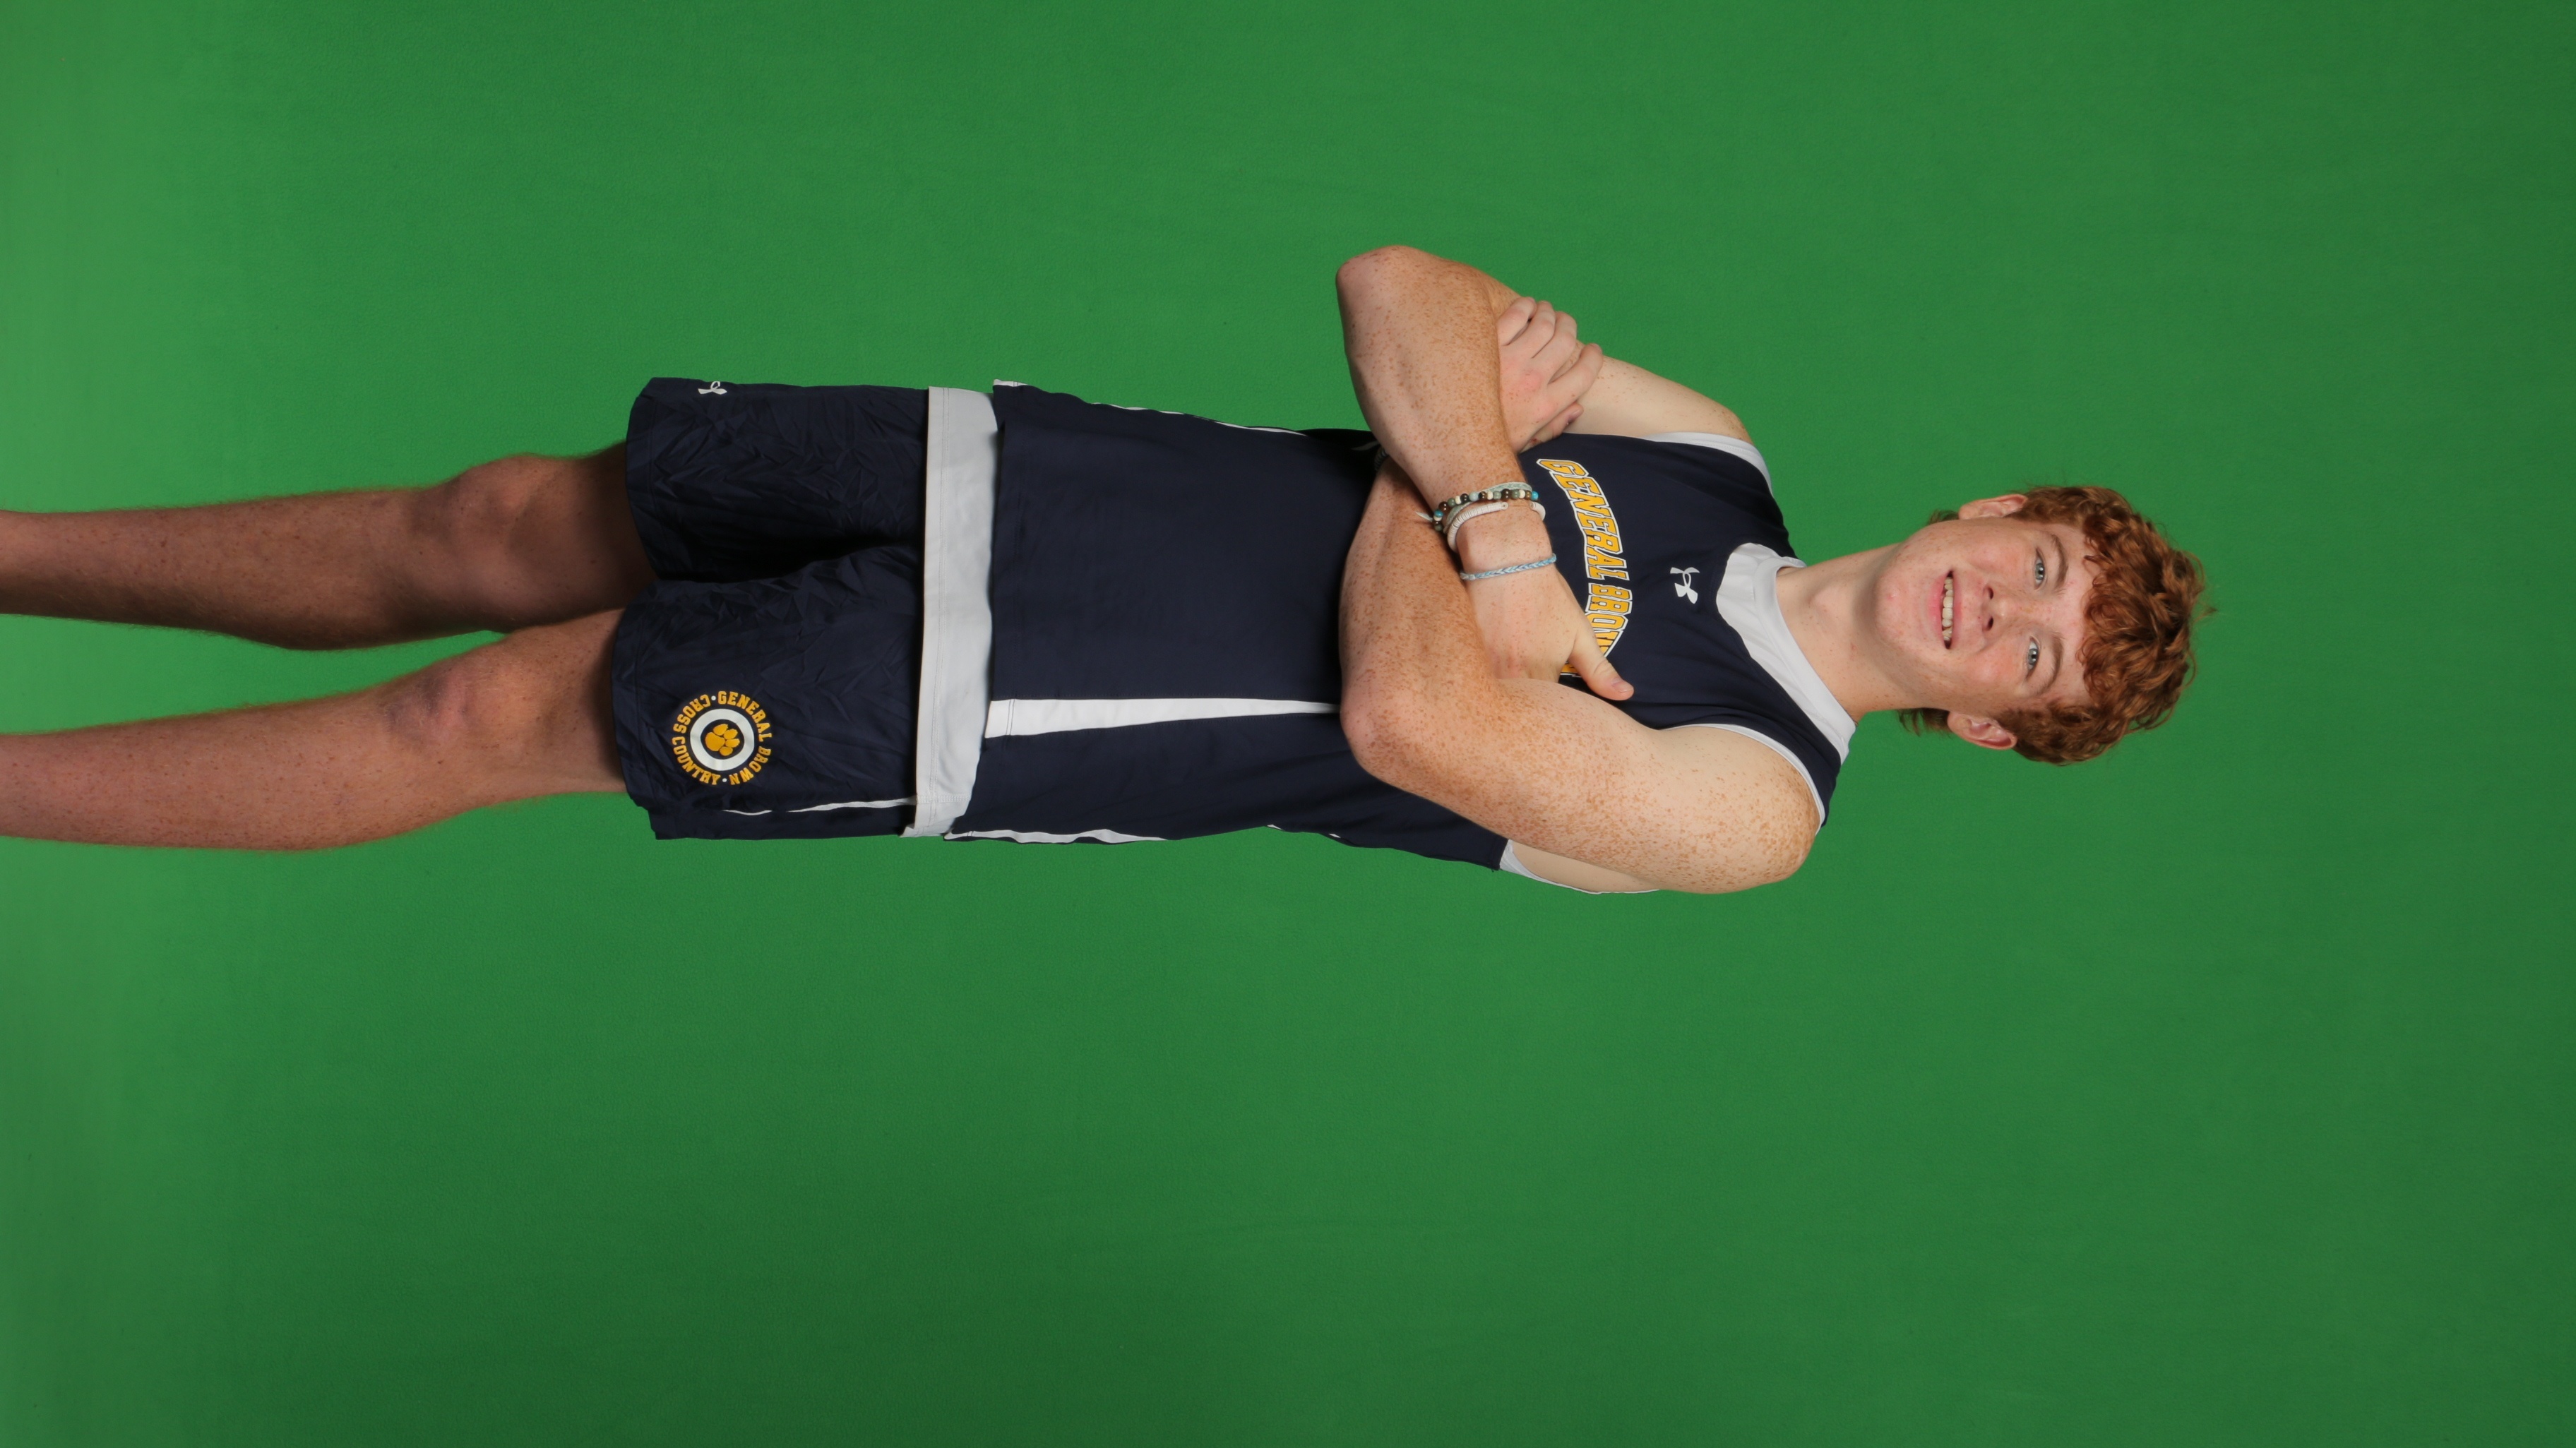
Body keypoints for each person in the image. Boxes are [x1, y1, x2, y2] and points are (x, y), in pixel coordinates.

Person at [0, 247, 2205, 892]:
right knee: (491, 519)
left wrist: (1476, 471)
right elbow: (1403, 289)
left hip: (1016, 699)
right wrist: (1490, 507)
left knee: (478, 710)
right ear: (1985, 509)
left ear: (1992, 726)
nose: (2002, 608)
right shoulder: (1711, 457)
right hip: (1026, 467)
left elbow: (1408, 721)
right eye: (2032, 563)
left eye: (2036, 653)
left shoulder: (1753, 803)